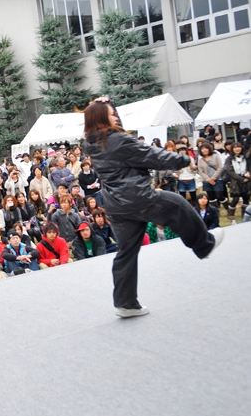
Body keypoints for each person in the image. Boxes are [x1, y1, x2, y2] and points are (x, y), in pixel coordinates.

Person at [84, 98, 223, 318]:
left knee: (127, 252)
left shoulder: (91, 142)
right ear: (102, 118)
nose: (116, 117)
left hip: (116, 205)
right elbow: (153, 156)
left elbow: (108, 128)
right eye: (112, 114)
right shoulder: (118, 140)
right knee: (178, 205)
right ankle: (204, 245)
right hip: (137, 198)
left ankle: (125, 303)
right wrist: (182, 159)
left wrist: (105, 104)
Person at [225, 142, 251, 219]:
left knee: (246, 197)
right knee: (235, 198)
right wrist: (241, 179)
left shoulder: (246, 157)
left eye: (239, 147)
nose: (237, 149)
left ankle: (244, 213)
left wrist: (247, 176)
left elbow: (249, 167)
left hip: (246, 178)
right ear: (232, 149)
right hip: (235, 181)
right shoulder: (229, 159)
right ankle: (230, 213)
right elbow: (230, 171)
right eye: (235, 147)